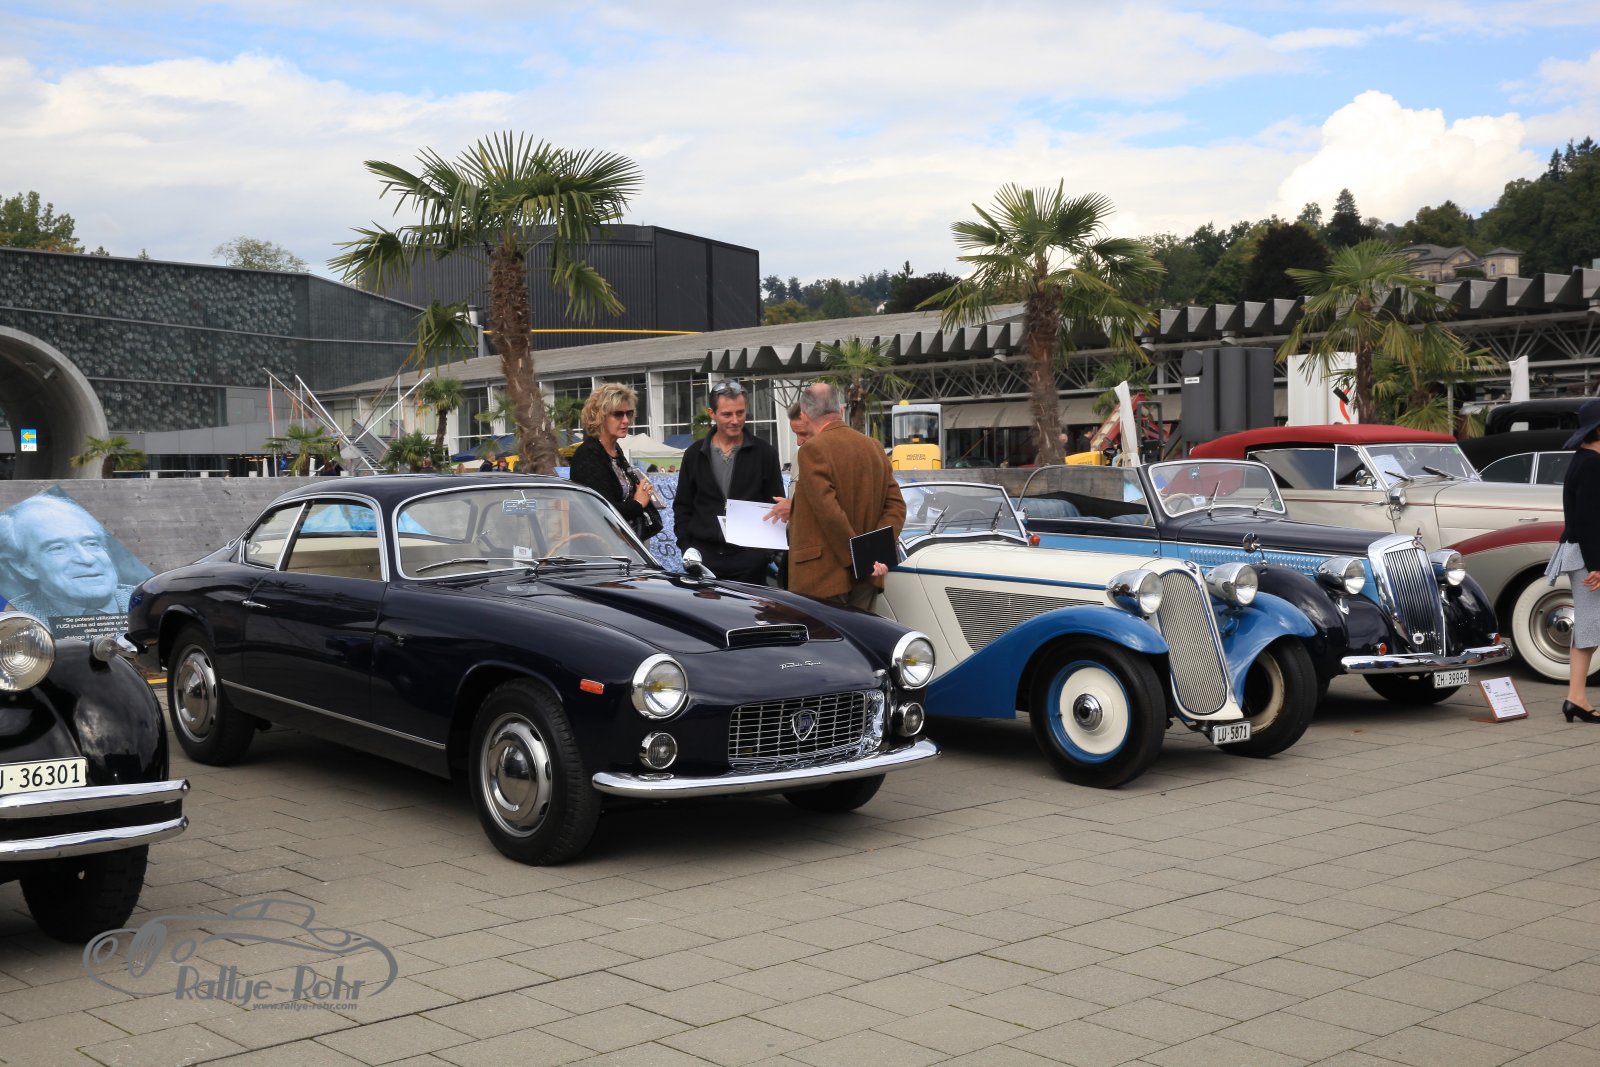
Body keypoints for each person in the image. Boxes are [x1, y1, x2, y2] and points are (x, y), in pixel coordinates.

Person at [786, 382, 905, 608]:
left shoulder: (812, 449)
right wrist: (874, 555)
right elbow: (896, 506)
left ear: (804, 415)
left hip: (822, 576)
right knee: (860, 631)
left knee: (824, 633)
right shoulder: (874, 447)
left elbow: (828, 511)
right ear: (840, 410)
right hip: (868, 576)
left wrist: (860, 558)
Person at [673, 380, 785, 584]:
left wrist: (763, 554)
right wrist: (687, 546)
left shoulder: (765, 453)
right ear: (712, 413)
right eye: (727, 414)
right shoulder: (694, 454)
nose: (735, 420)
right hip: (703, 559)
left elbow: (775, 505)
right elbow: (682, 506)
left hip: (750, 562)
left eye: (740, 413)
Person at [0, 494, 136, 619]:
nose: (87, 559)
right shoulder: (14, 618)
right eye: (58, 548)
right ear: (25, 567)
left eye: (91, 543)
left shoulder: (145, 600)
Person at [1550, 398, 1600, 723]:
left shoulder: (1584, 460)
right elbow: (1587, 520)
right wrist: (1597, 565)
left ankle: (1576, 697)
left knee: (1590, 624)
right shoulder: (1592, 464)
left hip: (1583, 552)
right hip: (1587, 555)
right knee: (1589, 624)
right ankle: (1576, 697)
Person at [568, 382, 663, 541]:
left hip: (623, 542)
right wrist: (638, 503)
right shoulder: (589, 454)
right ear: (600, 416)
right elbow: (601, 510)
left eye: (629, 414)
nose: (625, 420)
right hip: (599, 546)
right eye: (618, 414)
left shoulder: (614, 450)